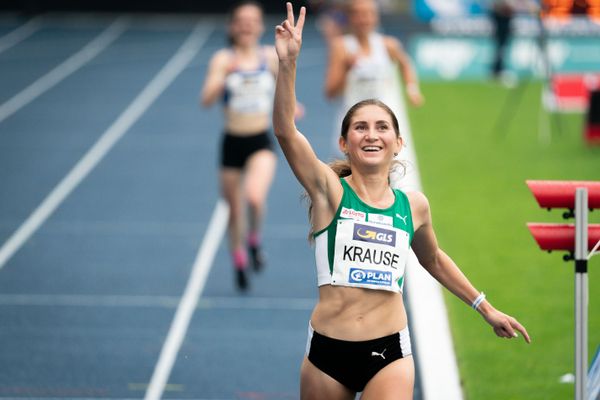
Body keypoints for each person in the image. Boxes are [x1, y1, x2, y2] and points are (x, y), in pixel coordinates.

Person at [273, 3, 531, 399]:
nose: (371, 135)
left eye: (382, 127)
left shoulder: (414, 206)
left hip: (389, 353)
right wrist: (288, 64)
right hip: (327, 353)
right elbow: (286, 132)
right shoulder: (329, 191)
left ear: (398, 141)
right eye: (360, 127)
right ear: (345, 142)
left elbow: (434, 259)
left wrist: (485, 308)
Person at [201, 0, 278, 291]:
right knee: (233, 211)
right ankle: (239, 261)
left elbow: (285, 88)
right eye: (241, 21)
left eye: (252, 20)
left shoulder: (268, 56)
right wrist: (224, 77)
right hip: (232, 142)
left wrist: (293, 106)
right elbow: (206, 100)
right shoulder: (223, 59)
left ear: (259, 26)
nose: (246, 25)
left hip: (260, 139)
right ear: (232, 26)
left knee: (255, 198)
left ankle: (254, 240)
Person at [324, 0, 424, 166]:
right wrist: (346, 68)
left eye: (369, 14)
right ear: (350, 18)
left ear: (376, 17)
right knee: (348, 184)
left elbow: (406, 64)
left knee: (386, 180)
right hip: (353, 125)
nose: (364, 19)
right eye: (358, 14)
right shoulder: (341, 47)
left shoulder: (388, 45)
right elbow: (330, 92)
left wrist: (412, 89)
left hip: (381, 127)